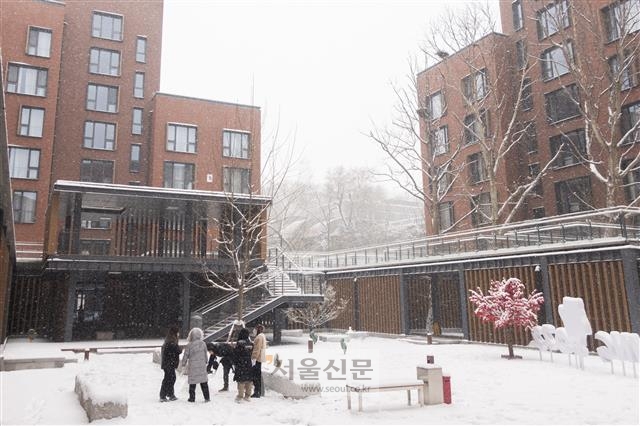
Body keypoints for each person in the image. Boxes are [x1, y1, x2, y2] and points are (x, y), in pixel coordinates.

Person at [181, 327, 210, 403]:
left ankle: (192, 398)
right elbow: (205, 354)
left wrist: (183, 363)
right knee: (204, 383)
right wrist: (206, 361)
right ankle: (207, 397)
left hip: (193, 366)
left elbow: (185, 355)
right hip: (202, 366)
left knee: (192, 383)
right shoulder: (203, 344)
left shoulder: (189, 345)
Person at [159, 325, 182, 402]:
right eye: (178, 332)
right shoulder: (171, 342)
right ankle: (163, 395)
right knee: (168, 379)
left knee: (170, 378)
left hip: (168, 363)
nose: (179, 334)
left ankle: (170, 394)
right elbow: (178, 351)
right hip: (169, 364)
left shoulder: (170, 340)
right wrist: (179, 349)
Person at [232, 328, 254, 402]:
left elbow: (236, 354)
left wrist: (235, 362)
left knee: (241, 380)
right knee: (248, 379)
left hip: (240, 363)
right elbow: (251, 352)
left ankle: (240, 396)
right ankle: (248, 395)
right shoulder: (250, 343)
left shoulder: (239, 343)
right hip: (248, 363)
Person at [251, 324, 266, 398]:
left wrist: (253, 358)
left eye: (255, 329)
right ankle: (259, 391)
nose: (254, 331)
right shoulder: (262, 336)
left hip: (257, 359)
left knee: (255, 376)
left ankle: (257, 392)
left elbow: (257, 349)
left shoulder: (259, 337)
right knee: (258, 375)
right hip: (260, 358)